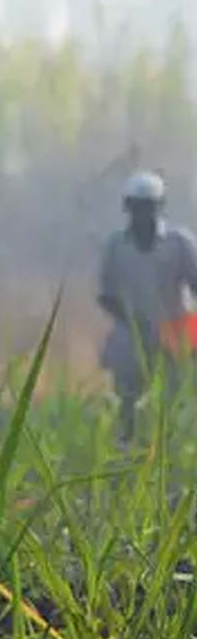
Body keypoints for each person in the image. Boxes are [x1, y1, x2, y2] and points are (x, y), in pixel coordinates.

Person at [98, 171, 197, 441]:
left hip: (175, 332)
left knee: (175, 400)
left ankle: (171, 449)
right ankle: (128, 448)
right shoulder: (115, 245)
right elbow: (106, 295)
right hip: (131, 334)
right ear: (128, 207)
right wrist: (132, 321)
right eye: (137, 207)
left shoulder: (179, 242)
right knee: (127, 399)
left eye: (149, 207)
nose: (143, 214)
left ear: (160, 206)